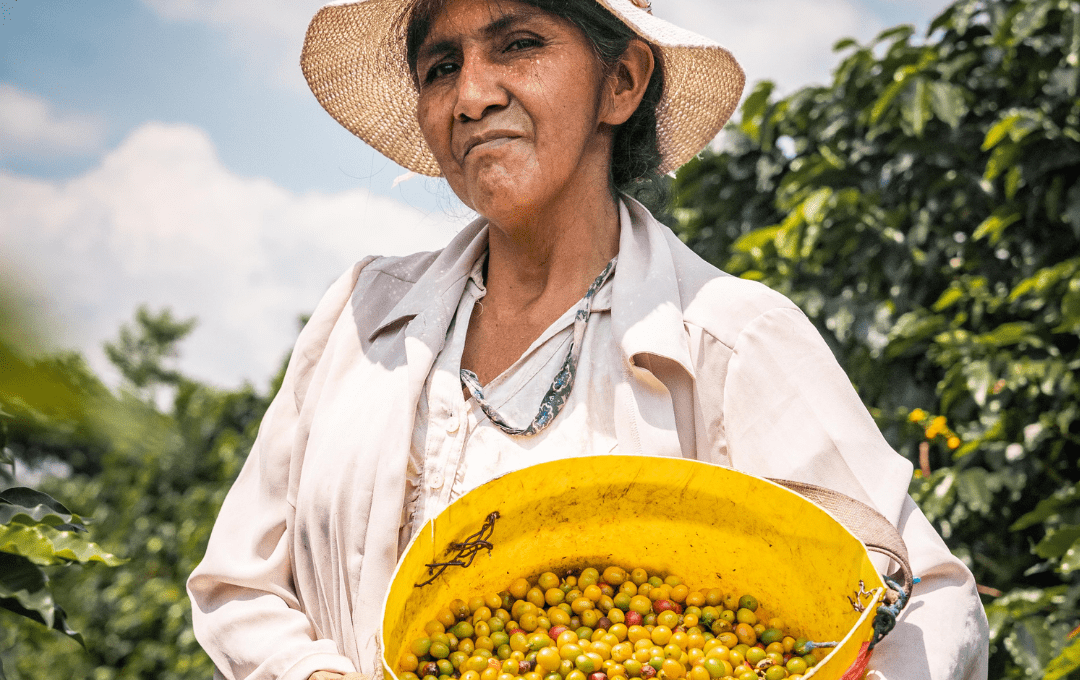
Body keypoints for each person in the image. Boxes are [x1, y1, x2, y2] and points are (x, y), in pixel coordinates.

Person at [187, 0, 990, 678]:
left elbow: (929, 599)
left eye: (518, 45)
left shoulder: (729, 336)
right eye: (440, 66)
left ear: (622, 82)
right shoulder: (361, 317)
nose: (470, 96)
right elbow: (238, 587)